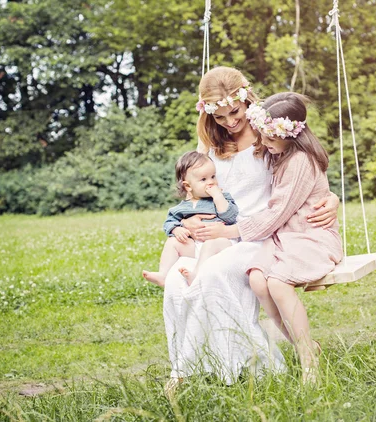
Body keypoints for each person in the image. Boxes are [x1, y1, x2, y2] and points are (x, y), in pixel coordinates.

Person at [162, 66, 340, 388]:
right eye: (220, 118)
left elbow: (302, 172)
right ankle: (195, 366)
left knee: (215, 273)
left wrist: (333, 197)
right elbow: (196, 187)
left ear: (247, 100)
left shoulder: (268, 132)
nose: (230, 122)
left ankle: (253, 367)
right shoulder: (210, 144)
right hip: (221, 232)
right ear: (208, 116)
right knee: (177, 280)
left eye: (235, 112)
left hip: (264, 235)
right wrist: (185, 221)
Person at [242, 93, 343, 382]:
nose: (264, 142)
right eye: (262, 135)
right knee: (258, 280)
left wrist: (236, 231)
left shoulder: (300, 160)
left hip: (312, 236)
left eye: (271, 137)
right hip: (285, 237)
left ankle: (308, 360)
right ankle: (308, 345)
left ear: (292, 134)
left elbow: (279, 211)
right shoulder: (279, 153)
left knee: (277, 281)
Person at [142, 151, 239, 287]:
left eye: (213, 176)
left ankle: (196, 275)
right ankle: (163, 275)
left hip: (221, 244)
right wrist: (176, 230)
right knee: (172, 242)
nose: (211, 182)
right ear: (188, 186)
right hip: (197, 247)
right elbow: (169, 222)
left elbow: (230, 217)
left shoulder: (222, 198)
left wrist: (218, 197)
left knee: (210, 245)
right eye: (203, 179)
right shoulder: (182, 208)